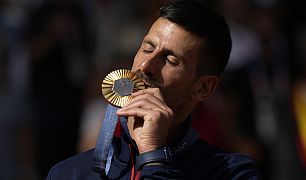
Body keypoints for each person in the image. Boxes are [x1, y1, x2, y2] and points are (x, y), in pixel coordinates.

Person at [46, 0, 261, 179]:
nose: (145, 66)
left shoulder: (231, 173)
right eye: (147, 48)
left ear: (203, 88)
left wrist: (152, 155)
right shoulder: (68, 174)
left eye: (170, 59)